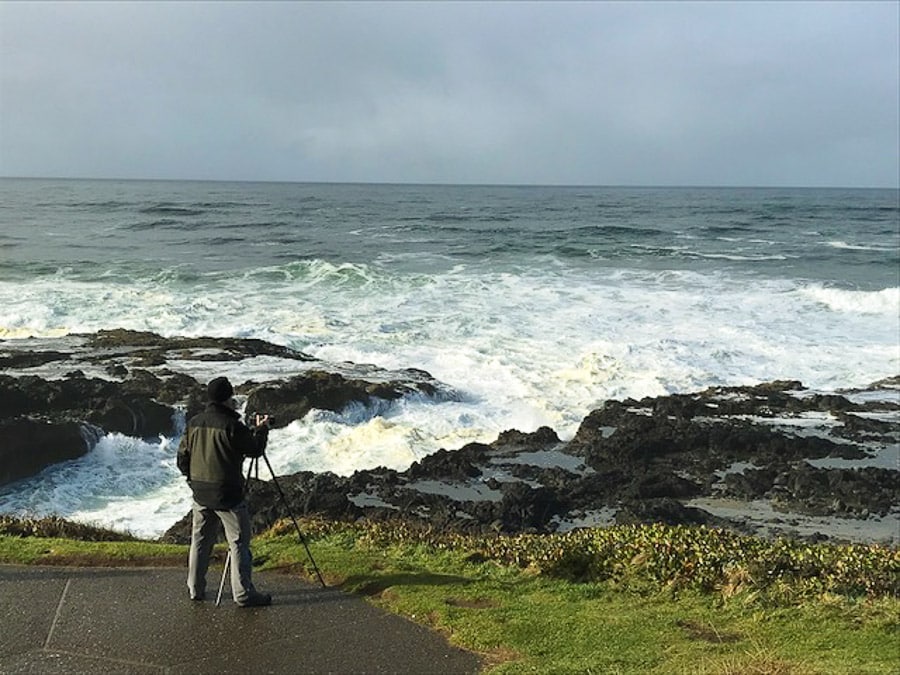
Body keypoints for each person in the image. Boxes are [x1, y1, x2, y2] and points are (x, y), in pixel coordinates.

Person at [176, 376, 272, 607]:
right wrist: (262, 431)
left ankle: (195, 589)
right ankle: (243, 594)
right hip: (227, 495)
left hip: (200, 492)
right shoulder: (231, 425)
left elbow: (182, 458)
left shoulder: (195, 423)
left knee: (200, 540)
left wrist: (192, 479)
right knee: (238, 542)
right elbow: (254, 450)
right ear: (229, 399)